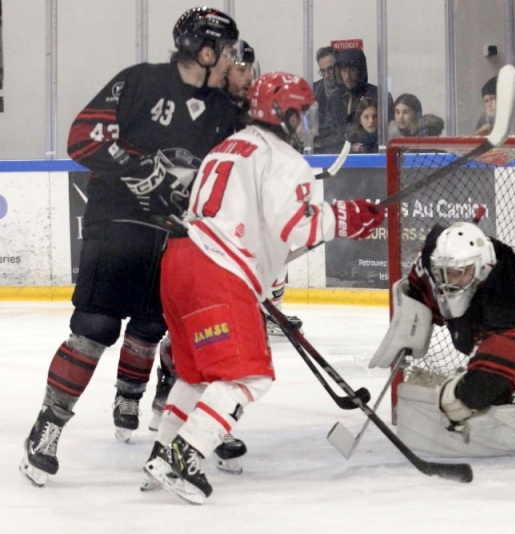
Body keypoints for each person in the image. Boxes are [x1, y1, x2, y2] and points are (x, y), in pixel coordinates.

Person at [19, 7, 241, 487]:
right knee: (95, 325)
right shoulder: (141, 82)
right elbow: (82, 138)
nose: (231, 61)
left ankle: (136, 398)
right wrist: (140, 172)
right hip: (117, 220)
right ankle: (48, 427)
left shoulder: (226, 111)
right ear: (204, 51)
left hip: (173, 235)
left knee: (152, 324)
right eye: (225, 52)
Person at [141, 71, 385, 504]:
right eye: (301, 113)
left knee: (199, 375)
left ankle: (162, 452)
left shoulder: (228, 146)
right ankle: (185, 455)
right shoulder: (283, 158)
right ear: (283, 113)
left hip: (178, 263)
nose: (304, 122)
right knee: (248, 374)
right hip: (217, 270)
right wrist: (346, 217)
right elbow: (296, 227)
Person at [149, 38, 262, 472]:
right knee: (195, 333)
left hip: (220, 242)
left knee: (219, 337)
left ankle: (203, 425)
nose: (247, 76)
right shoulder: (203, 107)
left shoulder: (239, 114)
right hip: (191, 237)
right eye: (240, 68)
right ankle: (171, 403)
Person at [370, 221, 515, 430]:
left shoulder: (502, 299)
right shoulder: (435, 254)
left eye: (459, 272)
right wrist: (413, 313)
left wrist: (461, 395)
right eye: (444, 272)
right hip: (511, 309)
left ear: (481, 267)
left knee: (507, 386)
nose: (449, 281)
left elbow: (499, 369)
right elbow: (423, 274)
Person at [335, 47, 394, 125]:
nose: (347, 76)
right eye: (344, 71)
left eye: (352, 70)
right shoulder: (334, 99)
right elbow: (329, 131)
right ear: (339, 73)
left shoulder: (379, 96)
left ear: (360, 71)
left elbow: (387, 127)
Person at [313, 46, 349, 154]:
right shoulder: (311, 92)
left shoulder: (351, 90)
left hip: (345, 152)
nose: (327, 75)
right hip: (318, 153)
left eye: (330, 69)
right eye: (323, 71)